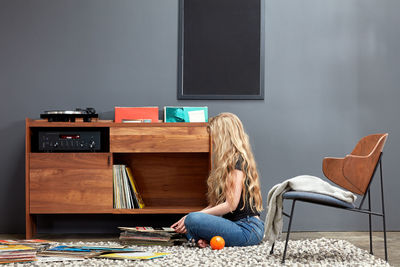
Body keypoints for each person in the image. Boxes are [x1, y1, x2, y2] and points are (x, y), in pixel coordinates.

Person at [171, 112, 264, 248]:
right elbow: (217, 204)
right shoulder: (226, 164)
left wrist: (192, 216)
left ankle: (202, 237)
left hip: (247, 230)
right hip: (235, 226)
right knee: (189, 224)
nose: (212, 140)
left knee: (192, 219)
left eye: (214, 135)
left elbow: (230, 205)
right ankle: (203, 239)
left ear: (223, 136)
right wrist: (190, 218)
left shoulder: (237, 161)